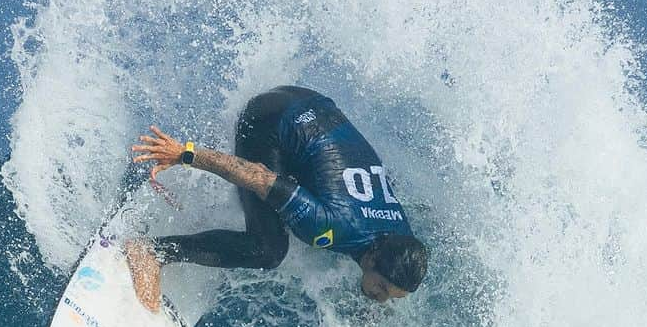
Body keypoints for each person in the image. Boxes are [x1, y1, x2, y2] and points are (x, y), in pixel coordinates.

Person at [124, 85, 427, 312]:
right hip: (268, 119)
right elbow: (258, 177)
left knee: (293, 198)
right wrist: (184, 153)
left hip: (310, 102)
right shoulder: (327, 224)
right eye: (382, 288)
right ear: (373, 257)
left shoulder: (402, 241)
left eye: (390, 295)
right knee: (268, 250)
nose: (381, 297)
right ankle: (153, 252)